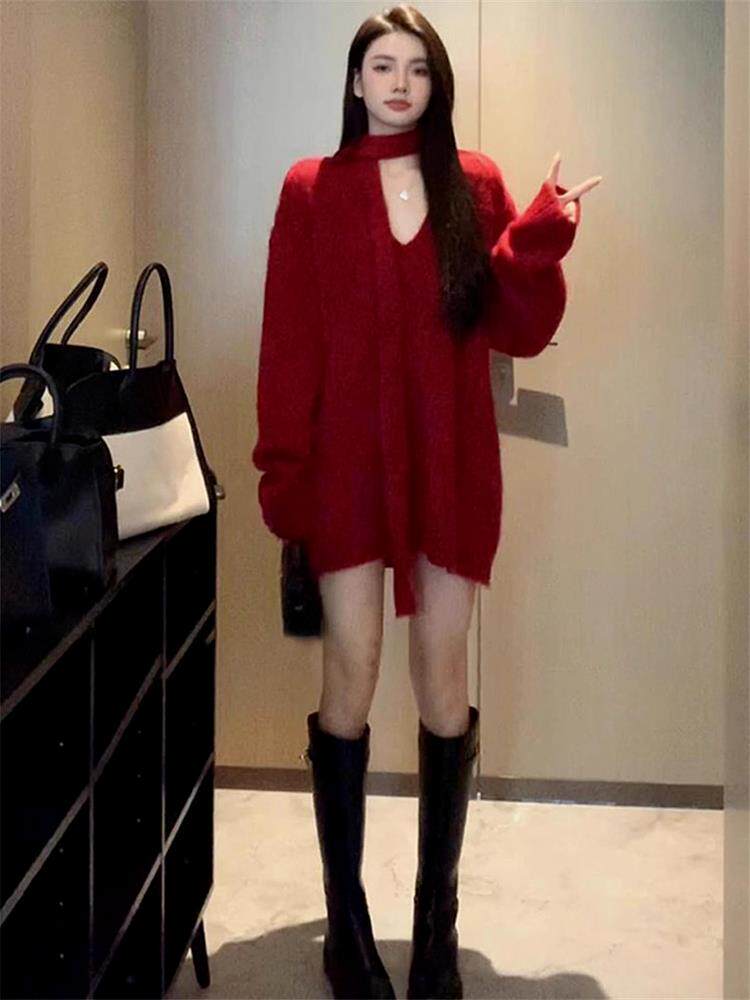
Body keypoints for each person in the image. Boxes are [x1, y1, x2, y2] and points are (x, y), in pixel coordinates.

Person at [252, 5, 602, 998]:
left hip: (451, 463)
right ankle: (346, 928)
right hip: (345, 471)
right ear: (355, 81)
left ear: (436, 83)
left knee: (444, 683)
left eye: (417, 67)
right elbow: (287, 340)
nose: (400, 82)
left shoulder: (473, 183)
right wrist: (286, 477)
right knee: (352, 675)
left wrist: (534, 245)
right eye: (382, 65)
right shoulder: (311, 189)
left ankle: (435, 928)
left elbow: (512, 328)